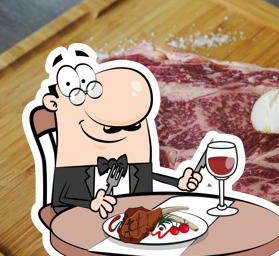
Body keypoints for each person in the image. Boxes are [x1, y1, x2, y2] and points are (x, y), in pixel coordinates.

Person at [38, 45, 201, 216]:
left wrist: (178, 182)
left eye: (133, 126)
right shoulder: (75, 158)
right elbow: (62, 200)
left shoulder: (133, 149)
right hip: (80, 225)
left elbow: (149, 178)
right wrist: (91, 203)